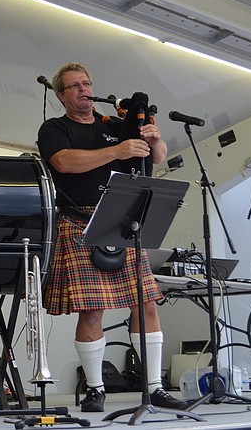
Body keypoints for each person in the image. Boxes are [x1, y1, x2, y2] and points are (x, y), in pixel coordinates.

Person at [36, 62, 187, 413]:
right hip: (80, 222)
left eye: (87, 83)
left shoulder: (115, 125)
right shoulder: (55, 128)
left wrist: (155, 140)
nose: (84, 90)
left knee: (147, 304)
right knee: (92, 310)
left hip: (122, 221)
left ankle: (154, 387)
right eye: (74, 86)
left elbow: (158, 158)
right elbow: (64, 163)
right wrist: (116, 152)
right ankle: (95, 388)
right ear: (61, 94)